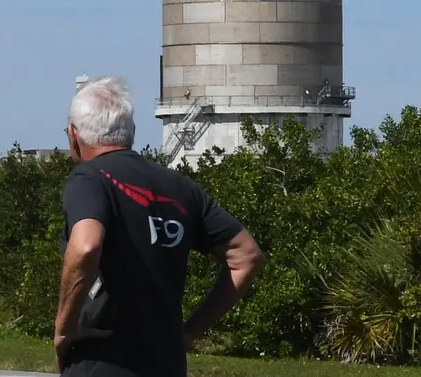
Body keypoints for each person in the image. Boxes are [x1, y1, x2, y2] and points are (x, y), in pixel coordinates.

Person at [54, 76, 265, 376]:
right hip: (165, 363)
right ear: (132, 132)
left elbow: (86, 246)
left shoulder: (90, 178)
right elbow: (247, 256)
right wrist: (189, 332)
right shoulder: (181, 187)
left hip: (102, 363)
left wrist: (64, 328)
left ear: (74, 135)